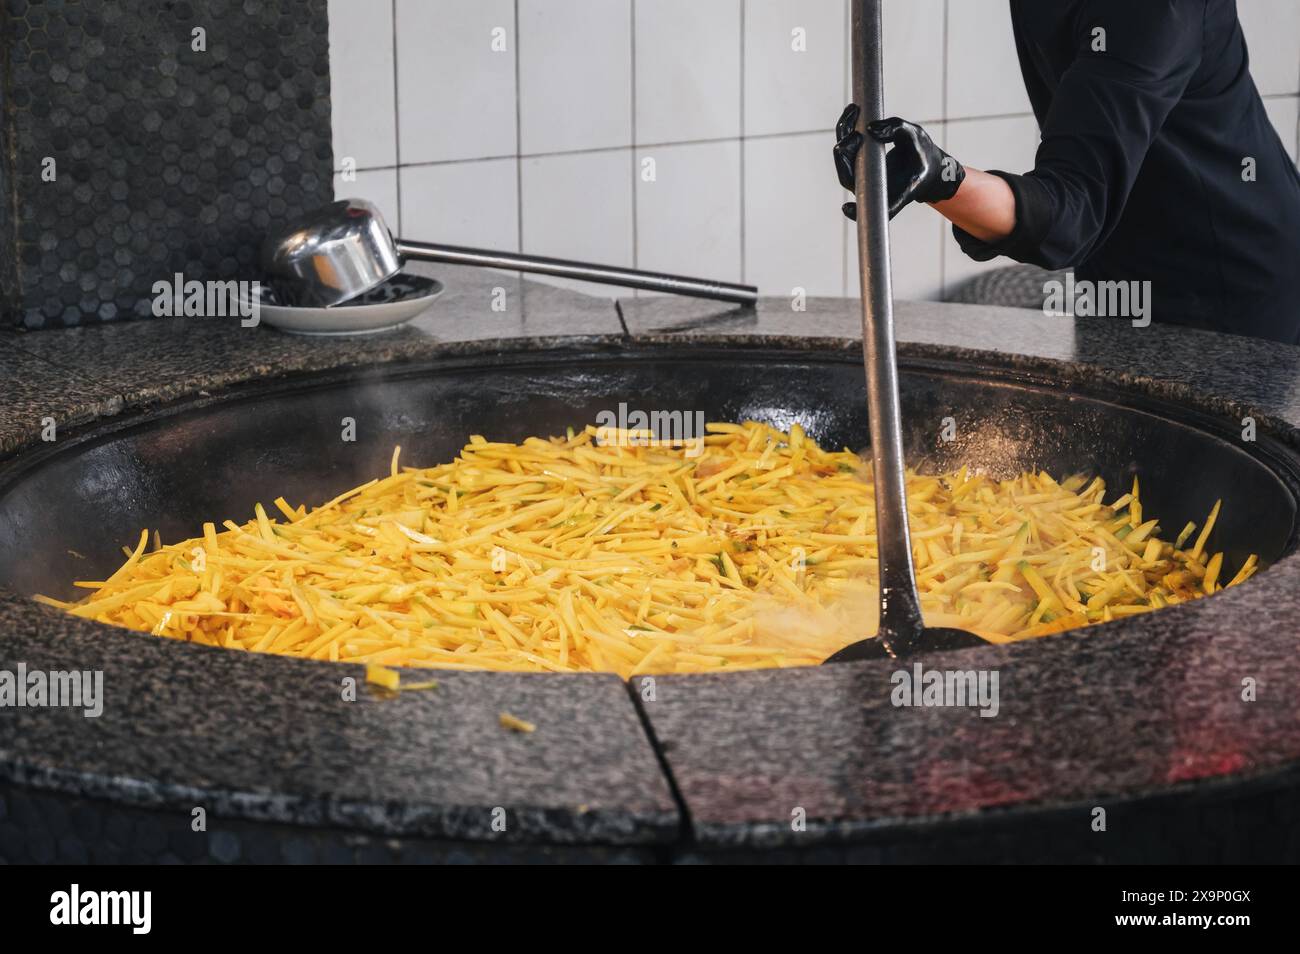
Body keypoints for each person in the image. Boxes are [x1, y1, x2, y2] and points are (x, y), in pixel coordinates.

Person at [834, 0, 1300, 343]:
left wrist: (940, 179)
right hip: (1114, 275)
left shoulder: (1156, 10)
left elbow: (1073, 207)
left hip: (1231, 301)